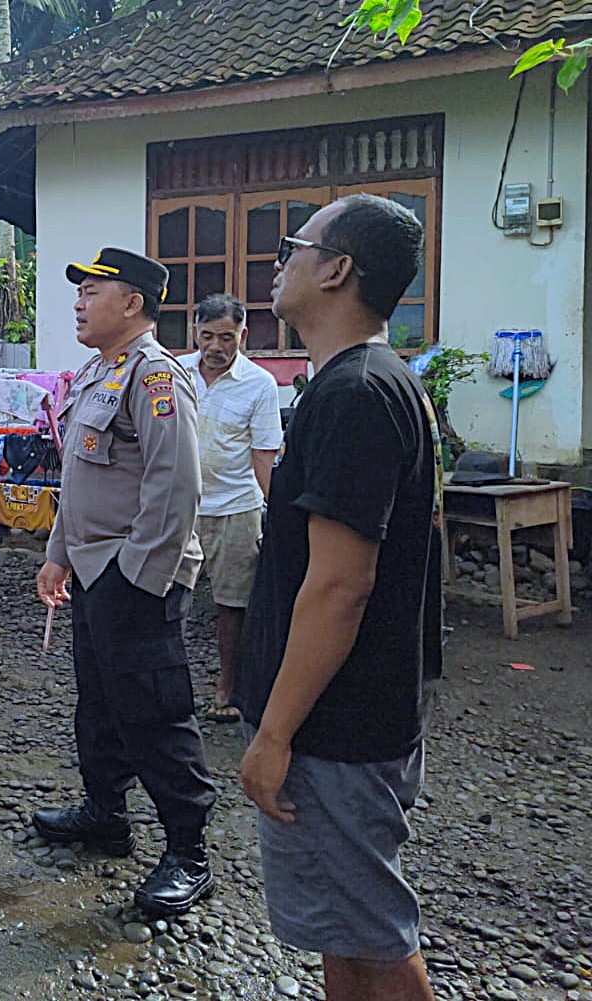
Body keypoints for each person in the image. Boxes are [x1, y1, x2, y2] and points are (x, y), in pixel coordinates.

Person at [235, 194, 440, 1001]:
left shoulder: (358, 392)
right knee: (343, 931)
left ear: (336, 270)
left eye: (293, 245)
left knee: (375, 939)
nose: (278, 261)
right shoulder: (357, 383)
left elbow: (339, 586)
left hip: (336, 726)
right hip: (341, 719)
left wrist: (274, 733)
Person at [32, 247, 217, 918]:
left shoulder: (156, 376)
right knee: (100, 703)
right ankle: (105, 814)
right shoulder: (97, 372)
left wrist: (138, 578)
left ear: (132, 302)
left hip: (135, 574)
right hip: (92, 569)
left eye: (92, 291)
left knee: (154, 713)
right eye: (79, 291)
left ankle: (189, 852)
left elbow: (176, 486)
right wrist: (58, 553)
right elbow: (80, 477)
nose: (78, 302)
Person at [179, 294, 283, 724]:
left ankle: (228, 688)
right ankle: (169, 686)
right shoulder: (175, 373)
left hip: (236, 506)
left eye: (226, 337)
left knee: (233, 605)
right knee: (166, 596)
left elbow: (264, 456)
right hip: (180, 507)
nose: (215, 346)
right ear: (195, 334)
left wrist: (279, 514)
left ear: (243, 335)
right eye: (207, 336)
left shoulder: (260, 384)